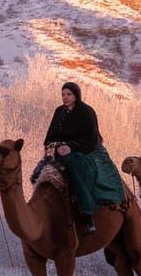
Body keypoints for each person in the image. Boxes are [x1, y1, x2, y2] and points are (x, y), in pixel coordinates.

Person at [39, 81, 122, 234]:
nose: (65, 97)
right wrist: (53, 146)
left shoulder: (87, 112)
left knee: (75, 167)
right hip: (60, 149)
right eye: (63, 94)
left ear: (76, 95)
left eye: (68, 94)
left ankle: (88, 211)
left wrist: (71, 147)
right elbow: (50, 136)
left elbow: (91, 139)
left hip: (84, 150)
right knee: (39, 172)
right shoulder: (59, 112)